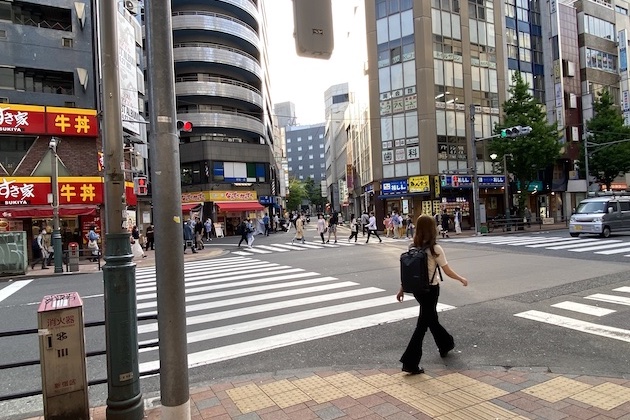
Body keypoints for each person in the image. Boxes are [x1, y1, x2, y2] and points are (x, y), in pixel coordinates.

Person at [396, 214, 469, 374]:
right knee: (422, 325)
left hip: (417, 290)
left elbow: (408, 271)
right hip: (431, 290)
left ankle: (445, 344)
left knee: (431, 319)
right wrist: (461, 278)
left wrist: (402, 288)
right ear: (432, 229)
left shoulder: (412, 246)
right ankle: (410, 362)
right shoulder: (435, 248)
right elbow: (447, 271)